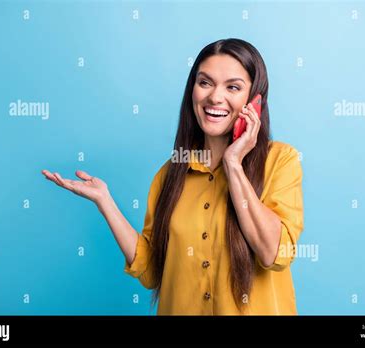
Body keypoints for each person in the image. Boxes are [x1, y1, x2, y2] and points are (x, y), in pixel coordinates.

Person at [42, 38, 304, 315]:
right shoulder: (169, 174)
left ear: (255, 101)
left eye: (233, 87)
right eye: (205, 83)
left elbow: (273, 253)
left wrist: (233, 164)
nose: (215, 97)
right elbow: (153, 272)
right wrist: (104, 201)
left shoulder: (281, 161)